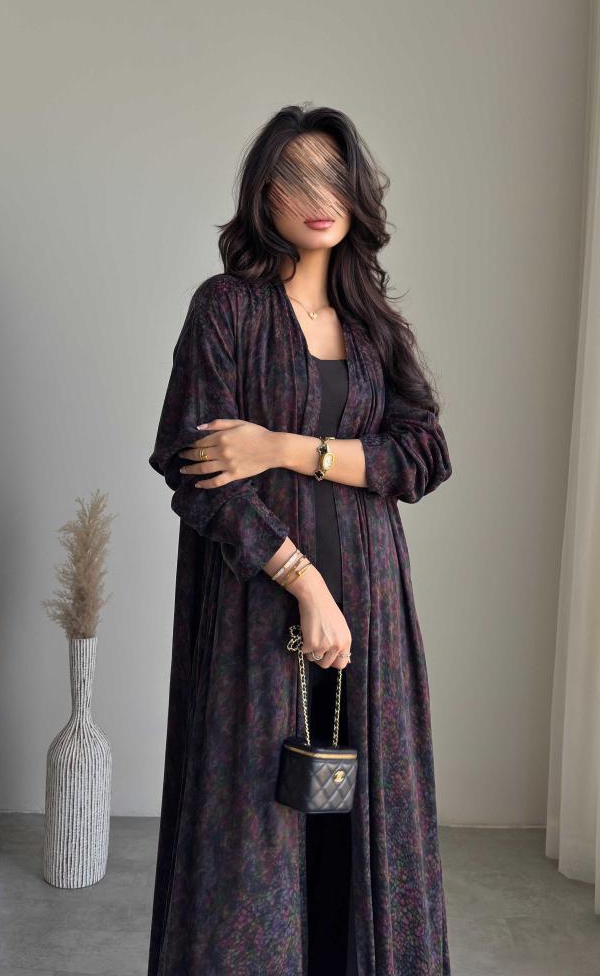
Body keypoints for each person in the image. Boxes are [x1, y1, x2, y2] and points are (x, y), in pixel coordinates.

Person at [147, 103, 452, 976]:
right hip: (259, 609)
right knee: (255, 831)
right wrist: (306, 584)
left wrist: (283, 448)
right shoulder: (226, 310)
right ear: (264, 196)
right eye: (296, 178)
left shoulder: (371, 324)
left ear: (357, 194)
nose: (319, 198)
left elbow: (423, 454)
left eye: (334, 178)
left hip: (372, 609)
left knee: (360, 826)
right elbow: (195, 469)